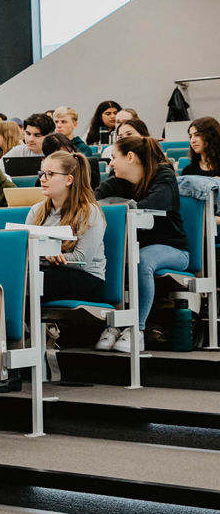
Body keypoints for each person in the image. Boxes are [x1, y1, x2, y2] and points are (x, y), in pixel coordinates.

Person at [95, 135, 189, 352]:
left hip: (173, 249)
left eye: (114, 158)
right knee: (110, 257)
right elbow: (93, 201)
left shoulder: (163, 175)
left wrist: (121, 207)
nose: (110, 163)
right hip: (134, 247)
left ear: (129, 157)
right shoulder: (118, 180)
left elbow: (155, 203)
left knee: (142, 260)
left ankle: (136, 329)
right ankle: (115, 324)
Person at [28, 152, 106, 304]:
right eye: (41, 173)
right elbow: (26, 252)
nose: (42, 179)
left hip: (88, 280)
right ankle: (23, 326)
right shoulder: (36, 210)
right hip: (50, 272)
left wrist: (46, 257)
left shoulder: (89, 212)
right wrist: (46, 257)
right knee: (19, 276)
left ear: (69, 179)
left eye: (50, 174)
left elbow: (81, 261)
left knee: (37, 279)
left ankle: (23, 326)